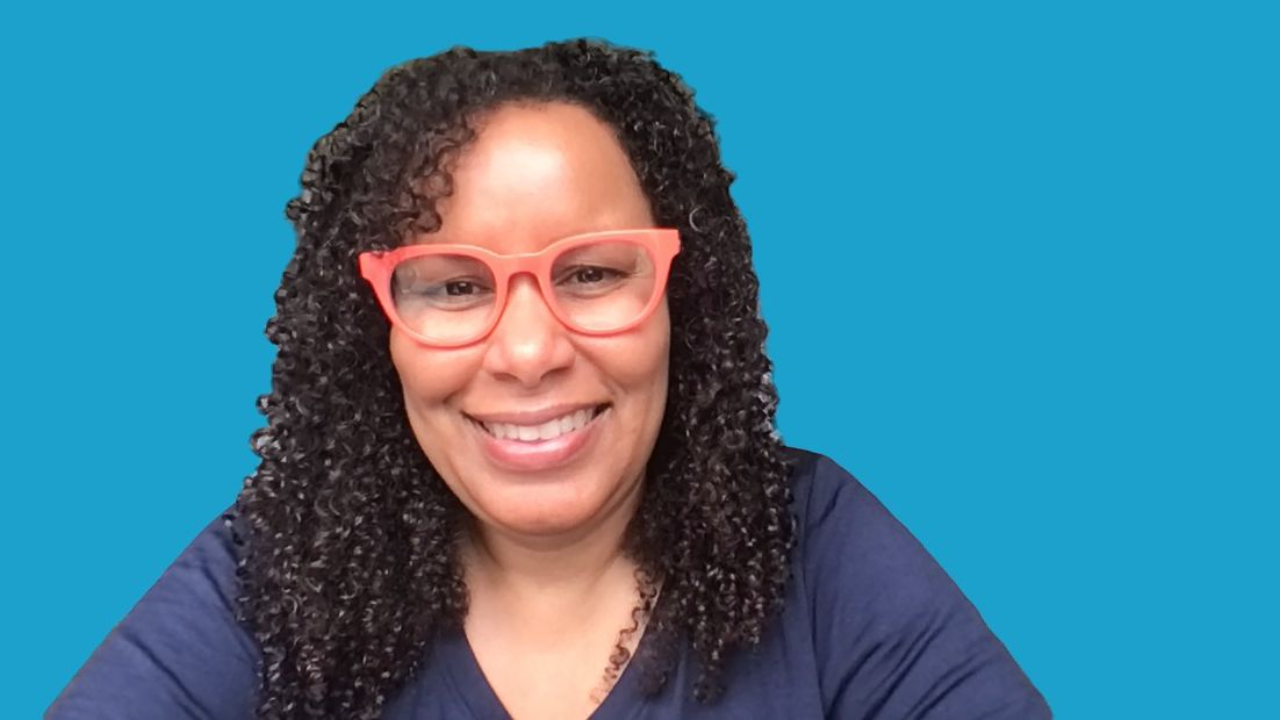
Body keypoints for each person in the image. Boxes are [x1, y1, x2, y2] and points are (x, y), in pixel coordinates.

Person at [49, 39, 1051, 719]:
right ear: (375, 330)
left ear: (681, 296)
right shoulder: (277, 571)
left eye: (592, 274)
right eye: (452, 286)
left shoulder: (818, 547)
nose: (528, 353)